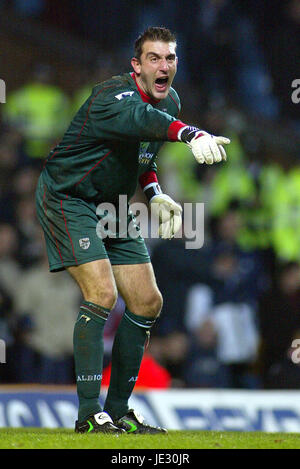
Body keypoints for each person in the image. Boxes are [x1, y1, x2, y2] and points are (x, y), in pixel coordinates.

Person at [35, 26, 230, 434]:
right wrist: (192, 133)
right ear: (136, 66)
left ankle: (120, 409)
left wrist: (156, 193)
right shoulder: (112, 97)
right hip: (70, 198)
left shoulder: (169, 100)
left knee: (146, 302)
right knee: (102, 293)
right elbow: (141, 121)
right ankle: (89, 413)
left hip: (115, 204)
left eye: (170, 58)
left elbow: (144, 155)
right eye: (154, 58)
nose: (164, 66)